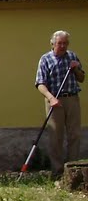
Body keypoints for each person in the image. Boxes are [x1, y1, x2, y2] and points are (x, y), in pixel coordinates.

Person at [35, 30, 85, 178]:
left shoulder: (72, 56)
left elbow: (81, 78)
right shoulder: (45, 59)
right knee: (56, 136)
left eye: (65, 43)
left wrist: (76, 68)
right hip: (54, 100)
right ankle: (57, 172)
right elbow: (40, 84)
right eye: (59, 43)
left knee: (74, 134)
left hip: (72, 98)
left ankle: (73, 170)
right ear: (53, 44)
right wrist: (51, 98)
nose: (63, 46)